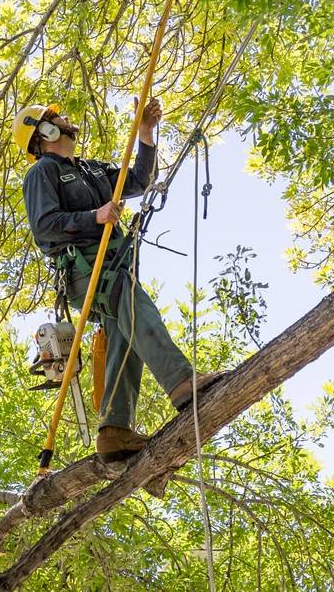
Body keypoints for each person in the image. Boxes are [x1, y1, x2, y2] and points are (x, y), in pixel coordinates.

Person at [12, 100, 221, 462]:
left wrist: (145, 134)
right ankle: (182, 382)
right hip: (81, 269)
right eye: (56, 117)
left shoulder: (90, 171)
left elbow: (139, 181)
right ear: (43, 132)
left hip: (112, 264)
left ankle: (114, 430)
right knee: (131, 303)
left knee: (123, 329)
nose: (66, 119)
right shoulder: (42, 173)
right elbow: (45, 227)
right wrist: (95, 216)